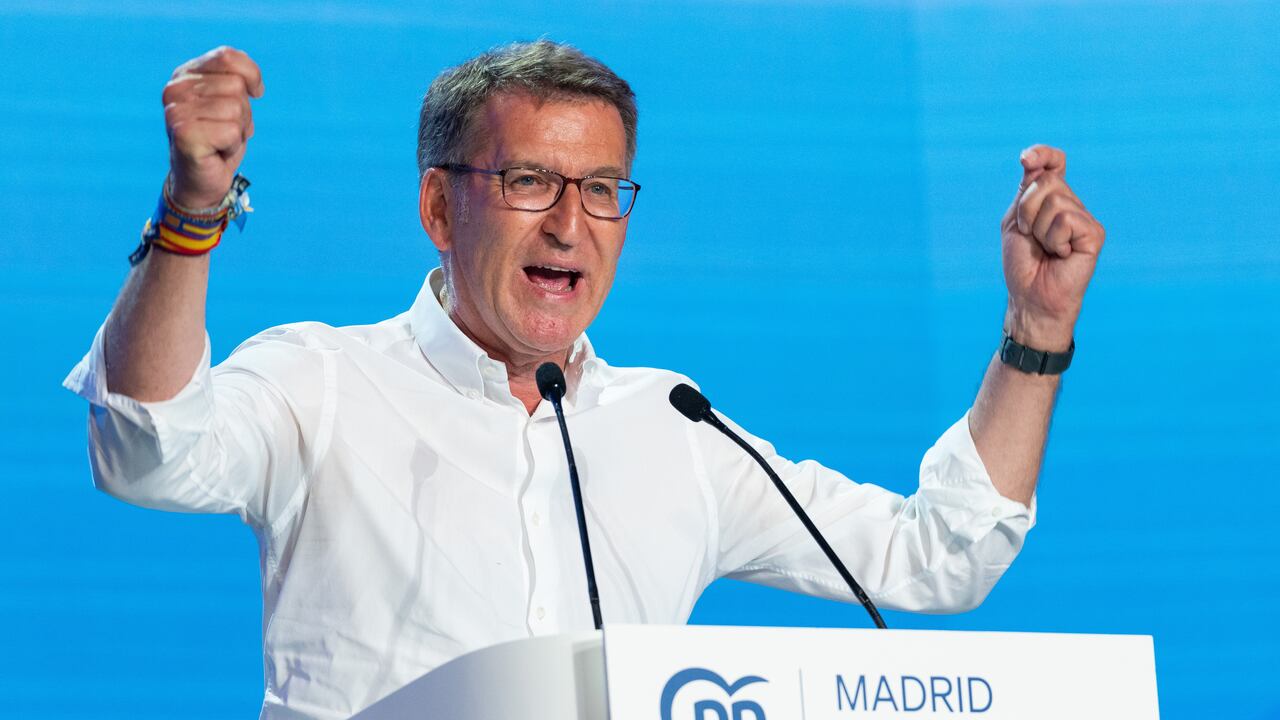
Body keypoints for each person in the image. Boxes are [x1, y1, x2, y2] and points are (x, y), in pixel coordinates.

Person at [64, 41, 1105, 719]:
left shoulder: (673, 424)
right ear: (438, 206)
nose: (570, 223)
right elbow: (148, 450)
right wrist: (191, 213)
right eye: (529, 182)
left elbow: (939, 556)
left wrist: (1035, 328)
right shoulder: (322, 379)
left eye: (602, 189)